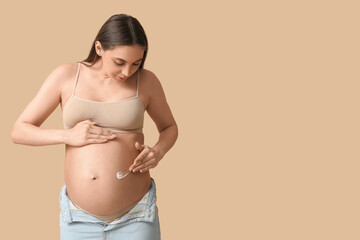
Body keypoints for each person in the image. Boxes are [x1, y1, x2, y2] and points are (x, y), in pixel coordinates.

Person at [11, 13, 178, 240]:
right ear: (99, 48)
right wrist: (67, 135)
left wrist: (158, 152)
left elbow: (169, 127)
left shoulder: (147, 81)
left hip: (136, 214)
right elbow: (19, 130)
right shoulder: (66, 76)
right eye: (119, 62)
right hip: (79, 217)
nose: (127, 72)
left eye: (136, 63)